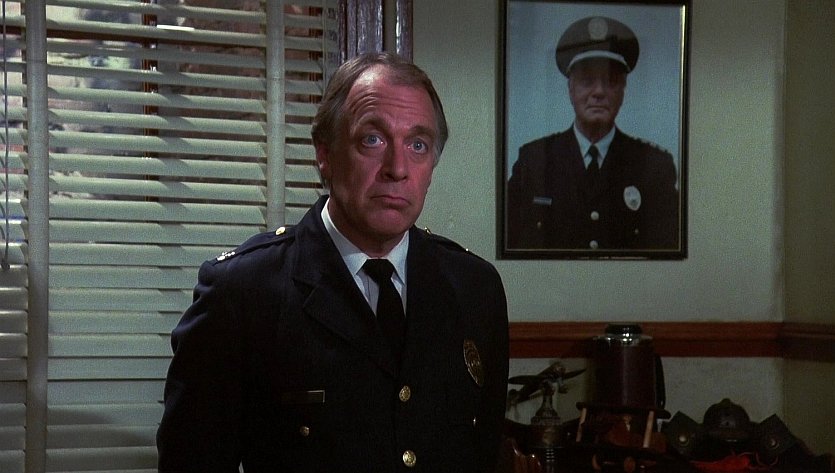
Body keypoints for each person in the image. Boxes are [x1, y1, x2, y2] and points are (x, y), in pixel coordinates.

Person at [157, 52, 510, 472]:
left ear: (432, 166)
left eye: (418, 145)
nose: (397, 169)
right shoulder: (242, 292)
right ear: (325, 154)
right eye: (373, 140)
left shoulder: (474, 288)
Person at [506, 16, 680, 251]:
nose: (598, 92)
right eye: (587, 81)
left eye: (610, 81)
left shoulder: (654, 167)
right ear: (570, 90)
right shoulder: (533, 161)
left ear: (623, 90)